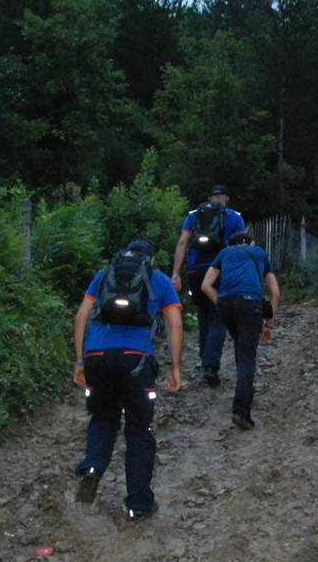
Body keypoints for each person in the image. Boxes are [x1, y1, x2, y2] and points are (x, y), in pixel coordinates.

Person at [72, 239, 183, 523]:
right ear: (152, 260)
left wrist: (81, 359)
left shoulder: (104, 273)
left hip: (97, 355)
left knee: (102, 417)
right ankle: (138, 504)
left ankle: (93, 467)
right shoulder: (158, 279)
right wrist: (175, 367)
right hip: (136, 359)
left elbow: (82, 315)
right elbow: (174, 322)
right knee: (138, 429)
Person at [200, 232, 280, 430]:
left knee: (241, 346)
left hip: (226, 304)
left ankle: (246, 392)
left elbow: (205, 286)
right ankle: (241, 410)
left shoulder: (224, 253)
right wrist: (269, 325)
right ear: (251, 242)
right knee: (247, 356)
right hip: (250, 304)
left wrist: (222, 303)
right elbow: (275, 292)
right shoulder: (259, 252)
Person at [171, 184, 246, 387]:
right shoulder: (234, 216)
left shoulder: (193, 215)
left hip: (195, 270)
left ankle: (205, 357)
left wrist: (176, 273)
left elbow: (183, 242)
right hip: (220, 270)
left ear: (210, 197)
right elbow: (243, 245)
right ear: (226, 199)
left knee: (203, 312)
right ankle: (210, 365)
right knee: (218, 316)